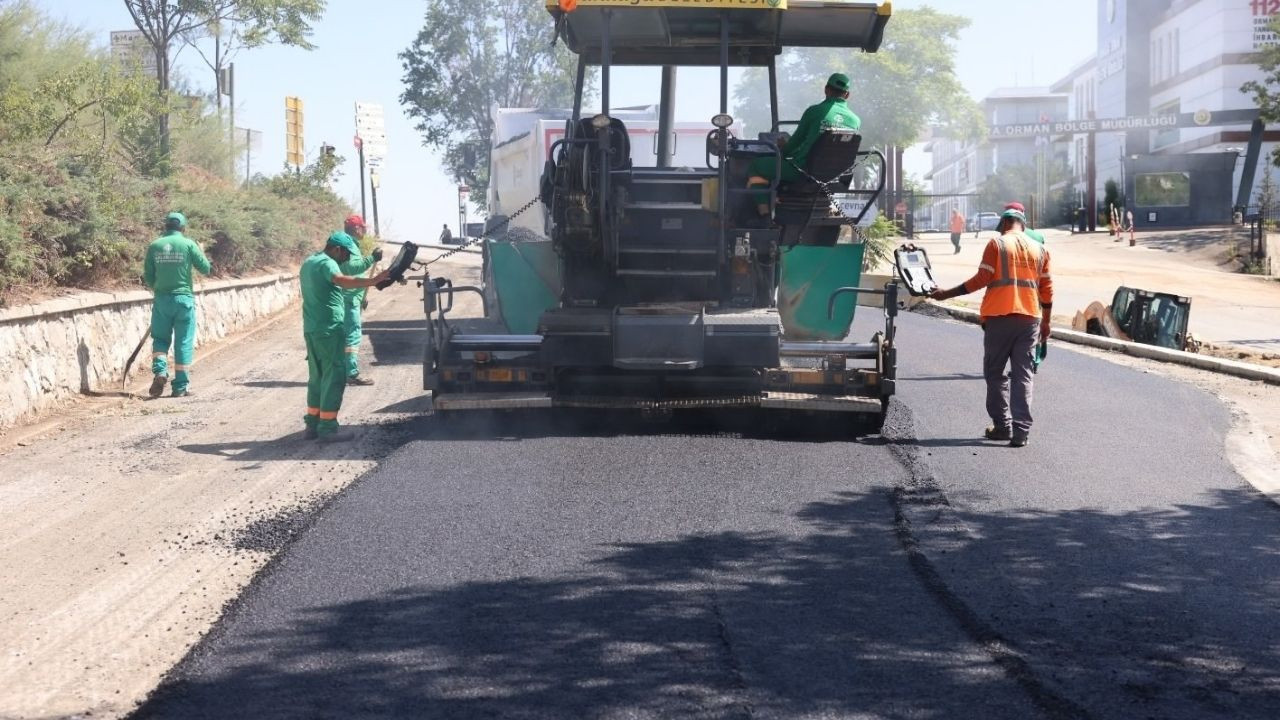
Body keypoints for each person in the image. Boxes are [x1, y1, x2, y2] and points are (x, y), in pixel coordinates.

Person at [929, 207, 1054, 448]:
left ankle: (1002, 426)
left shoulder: (997, 244)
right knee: (1024, 375)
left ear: (1004, 223)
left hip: (999, 318)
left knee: (995, 373)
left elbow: (981, 280)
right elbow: (1047, 290)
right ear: (1023, 225)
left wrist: (945, 294)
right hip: (1030, 319)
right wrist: (1046, 322)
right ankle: (1021, 432)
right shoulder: (1040, 249)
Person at [301, 232, 390, 442]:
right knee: (334, 376)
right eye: (346, 254)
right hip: (329, 329)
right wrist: (373, 280)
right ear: (337, 249)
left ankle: (312, 425)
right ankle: (328, 428)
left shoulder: (309, 262)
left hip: (312, 329)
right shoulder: (328, 263)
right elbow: (341, 280)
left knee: (317, 377)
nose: (347, 259)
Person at [747, 72, 861, 216]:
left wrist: (783, 149)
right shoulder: (856, 121)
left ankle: (764, 215)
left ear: (826, 89)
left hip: (803, 172)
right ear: (847, 95)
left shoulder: (814, 112)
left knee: (757, 166)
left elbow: (794, 144)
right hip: (835, 177)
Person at [143, 212, 212, 399]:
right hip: (184, 301)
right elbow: (206, 268)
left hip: (162, 301)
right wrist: (201, 250)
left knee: (160, 339)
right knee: (183, 342)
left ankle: (160, 371)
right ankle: (180, 387)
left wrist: (159, 289)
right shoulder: (189, 244)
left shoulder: (155, 245)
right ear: (183, 227)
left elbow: (148, 275)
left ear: (166, 226)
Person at [339, 215, 382, 386]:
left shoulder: (348, 244)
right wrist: (372, 258)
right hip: (348, 299)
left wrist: (362, 297)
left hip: (351, 298)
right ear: (357, 229)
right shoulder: (348, 245)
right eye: (363, 228)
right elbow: (352, 268)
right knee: (352, 336)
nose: (365, 231)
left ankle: (340, 372)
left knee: (345, 336)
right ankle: (351, 373)